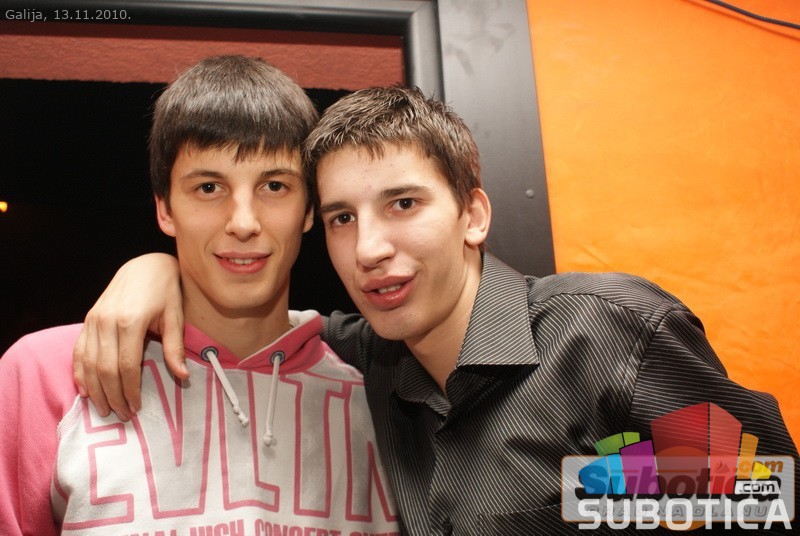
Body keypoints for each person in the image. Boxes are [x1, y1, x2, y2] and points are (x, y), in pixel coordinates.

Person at [71, 86, 797, 534]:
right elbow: (252, 323)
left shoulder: (604, 334)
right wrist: (151, 269)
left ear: (472, 214)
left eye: (403, 204)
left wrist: (584, 488)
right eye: (343, 218)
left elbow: (766, 495)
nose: (369, 248)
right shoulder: (365, 360)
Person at [0, 56, 399, 536]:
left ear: (309, 210)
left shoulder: (381, 388)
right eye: (209, 187)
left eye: (274, 186)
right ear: (165, 209)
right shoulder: (47, 373)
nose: (243, 222)